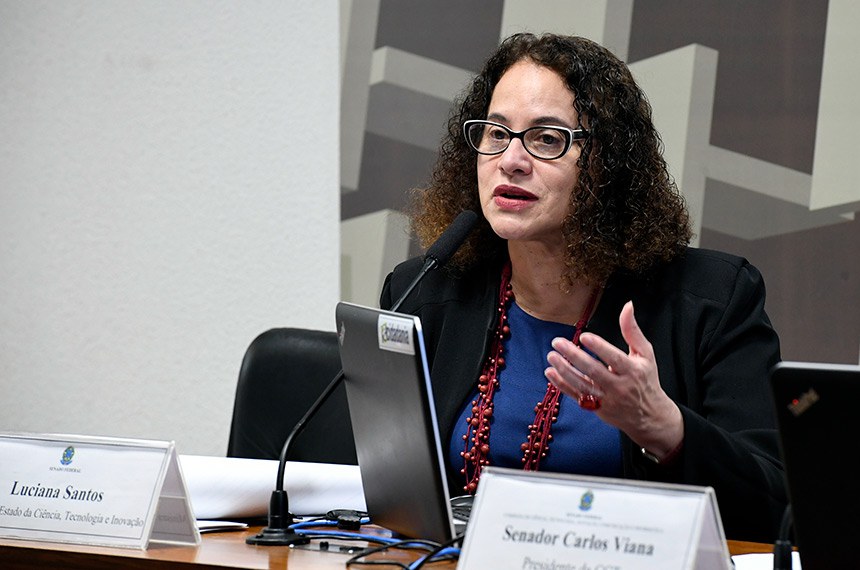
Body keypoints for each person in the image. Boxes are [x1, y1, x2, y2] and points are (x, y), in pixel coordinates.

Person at [380, 33, 786, 543]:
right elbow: (380, 493)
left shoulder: (712, 300)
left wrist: (665, 429)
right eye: (495, 133)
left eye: (547, 139)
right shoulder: (424, 293)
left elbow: (779, 507)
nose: (510, 160)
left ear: (606, 167)